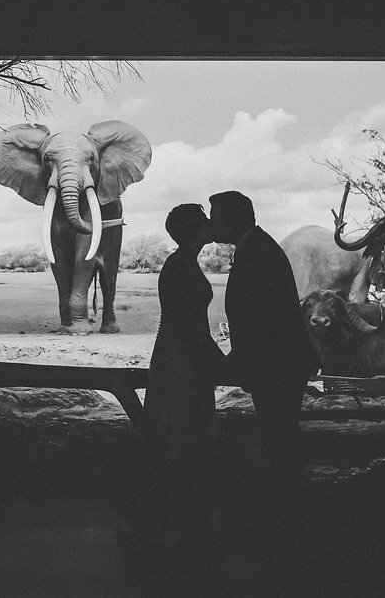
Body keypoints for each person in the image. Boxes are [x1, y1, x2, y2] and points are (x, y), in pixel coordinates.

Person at [208, 190, 317, 594]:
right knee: (279, 435)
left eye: (217, 216)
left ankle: (287, 522)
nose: (213, 223)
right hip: (278, 363)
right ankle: (287, 520)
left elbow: (263, 317)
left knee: (280, 436)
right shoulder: (258, 247)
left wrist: (239, 360)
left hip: (276, 365)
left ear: (235, 218)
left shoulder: (258, 253)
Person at [131, 203, 224, 591]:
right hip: (182, 357)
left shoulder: (180, 262)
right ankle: (181, 514)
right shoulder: (181, 266)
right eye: (203, 221)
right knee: (182, 428)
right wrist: (218, 360)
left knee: (176, 426)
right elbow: (189, 324)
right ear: (191, 229)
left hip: (176, 352)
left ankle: (174, 510)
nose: (209, 225)